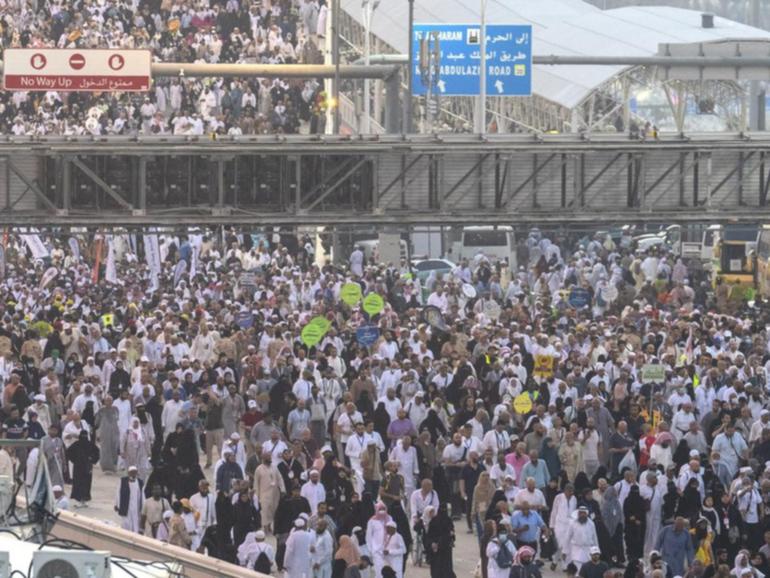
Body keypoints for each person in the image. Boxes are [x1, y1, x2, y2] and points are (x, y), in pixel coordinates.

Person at [66, 429, 99, 508]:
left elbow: (97, 452)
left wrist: (92, 460)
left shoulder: (89, 444)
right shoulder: (77, 444)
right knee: (78, 483)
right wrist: (75, 460)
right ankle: (79, 500)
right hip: (79, 467)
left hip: (86, 467)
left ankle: (84, 500)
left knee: (86, 484)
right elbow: (68, 452)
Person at [425, 502, 455, 578]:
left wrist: (432, 544)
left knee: (436, 571)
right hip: (445, 549)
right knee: (446, 570)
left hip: (436, 550)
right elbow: (451, 535)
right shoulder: (448, 520)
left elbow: (428, 536)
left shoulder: (433, 521)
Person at [564, 506, 599, 570]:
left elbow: (595, 538)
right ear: (578, 514)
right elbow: (567, 537)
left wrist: (597, 551)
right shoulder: (573, 523)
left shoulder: (591, 524)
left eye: (584, 513)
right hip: (576, 551)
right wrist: (565, 551)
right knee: (578, 572)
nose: (582, 515)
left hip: (588, 552)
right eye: (581, 513)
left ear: (586, 514)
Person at [115, 466, 144, 533]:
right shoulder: (122, 481)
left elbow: (142, 495)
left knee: (135, 523)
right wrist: (116, 504)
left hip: (136, 508)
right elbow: (118, 493)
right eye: (131, 472)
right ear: (128, 473)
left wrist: (143, 507)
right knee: (126, 523)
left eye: (134, 472)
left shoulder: (140, 482)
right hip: (126, 506)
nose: (133, 474)